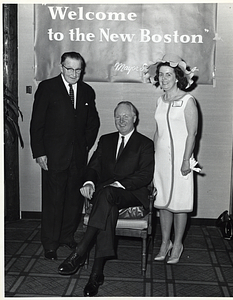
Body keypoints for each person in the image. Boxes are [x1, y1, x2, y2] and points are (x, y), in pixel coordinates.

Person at [58, 101, 154, 297]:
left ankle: (81, 250)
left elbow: (145, 175)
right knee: (107, 202)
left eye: (126, 116)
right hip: (107, 196)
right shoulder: (106, 140)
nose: (121, 120)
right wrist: (89, 183)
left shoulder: (145, 143)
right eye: (118, 116)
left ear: (135, 118)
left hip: (131, 193)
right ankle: (96, 274)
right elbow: (93, 166)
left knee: (107, 194)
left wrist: (118, 185)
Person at [30, 51, 100, 261]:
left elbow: (93, 123)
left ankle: (66, 236)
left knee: (73, 200)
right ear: (61, 67)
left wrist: (84, 145)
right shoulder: (47, 87)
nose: (74, 73)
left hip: (77, 157)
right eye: (69, 69)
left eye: (78, 70)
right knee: (53, 201)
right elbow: (37, 124)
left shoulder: (87, 91)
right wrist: (40, 152)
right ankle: (50, 244)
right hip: (53, 157)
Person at [152, 53, 199, 264]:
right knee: (162, 203)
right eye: (161, 75)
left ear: (177, 76)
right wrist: (153, 157)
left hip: (182, 160)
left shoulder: (188, 100)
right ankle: (165, 242)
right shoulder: (160, 101)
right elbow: (158, 132)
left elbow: (192, 133)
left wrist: (186, 160)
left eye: (168, 74)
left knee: (179, 203)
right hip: (161, 160)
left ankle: (177, 243)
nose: (164, 79)